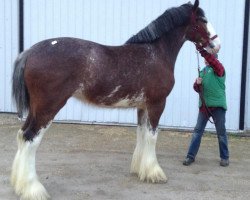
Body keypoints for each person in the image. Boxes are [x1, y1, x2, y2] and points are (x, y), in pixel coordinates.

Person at [183, 46, 229, 167]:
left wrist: (203, 51)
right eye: (205, 57)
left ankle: (224, 157)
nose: (205, 59)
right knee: (197, 132)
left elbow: (213, 62)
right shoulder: (203, 71)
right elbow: (197, 88)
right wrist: (197, 84)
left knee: (221, 133)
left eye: (208, 57)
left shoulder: (219, 69)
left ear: (213, 59)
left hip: (218, 107)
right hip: (204, 107)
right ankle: (190, 156)